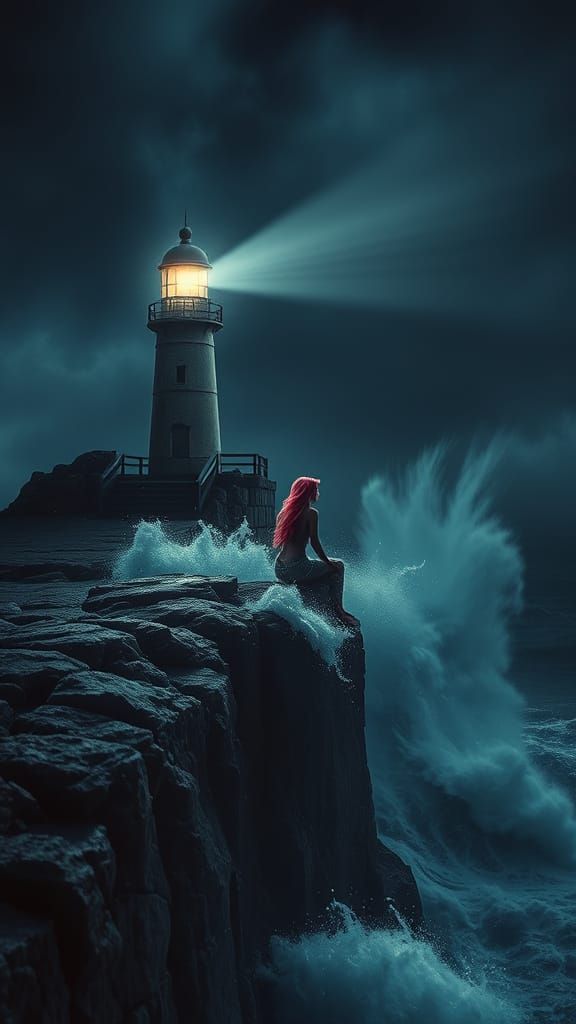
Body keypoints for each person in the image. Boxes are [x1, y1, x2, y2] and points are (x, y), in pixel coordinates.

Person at [272, 476, 359, 627]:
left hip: (279, 568)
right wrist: (329, 564)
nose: (318, 492)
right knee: (339, 565)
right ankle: (338, 610)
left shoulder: (283, 514)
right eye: (316, 489)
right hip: (296, 568)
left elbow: (283, 544)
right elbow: (315, 543)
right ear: (308, 493)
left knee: (325, 569)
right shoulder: (311, 513)